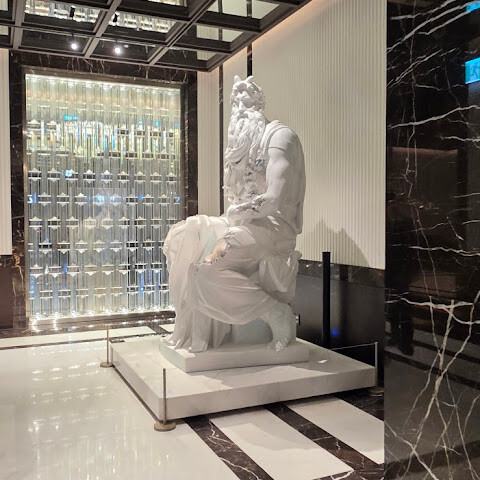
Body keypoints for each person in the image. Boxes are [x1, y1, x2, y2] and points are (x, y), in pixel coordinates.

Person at [164, 75, 306, 353]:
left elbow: (273, 199)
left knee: (204, 272)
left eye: (247, 102)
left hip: (273, 229)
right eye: (236, 104)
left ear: (260, 104)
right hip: (242, 223)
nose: (240, 109)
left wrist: (235, 212)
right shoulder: (242, 146)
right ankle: (195, 332)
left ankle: (276, 313)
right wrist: (233, 214)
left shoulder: (280, 137)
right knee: (182, 235)